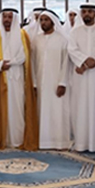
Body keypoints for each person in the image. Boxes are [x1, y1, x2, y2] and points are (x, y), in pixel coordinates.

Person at [0, 8, 38, 150]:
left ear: (14, 19)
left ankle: (18, 139)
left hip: (18, 77)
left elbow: (24, 55)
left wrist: (10, 63)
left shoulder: (23, 35)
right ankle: (4, 139)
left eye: (10, 17)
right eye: (5, 17)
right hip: (1, 77)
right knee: (2, 107)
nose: (7, 20)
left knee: (18, 107)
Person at [68, 4, 95, 153]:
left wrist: (89, 63)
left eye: (90, 12)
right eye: (84, 12)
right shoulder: (75, 32)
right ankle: (81, 143)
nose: (87, 14)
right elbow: (71, 49)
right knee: (81, 106)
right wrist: (83, 61)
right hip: (81, 76)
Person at [32, 9, 71, 150]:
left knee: (57, 111)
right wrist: (34, 83)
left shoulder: (63, 39)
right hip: (40, 82)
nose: (43, 23)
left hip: (56, 82)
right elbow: (32, 62)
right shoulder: (36, 40)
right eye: (41, 20)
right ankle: (42, 142)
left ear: (53, 22)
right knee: (41, 111)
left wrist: (62, 82)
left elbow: (66, 63)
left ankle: (59, 142)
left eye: (46, 20)